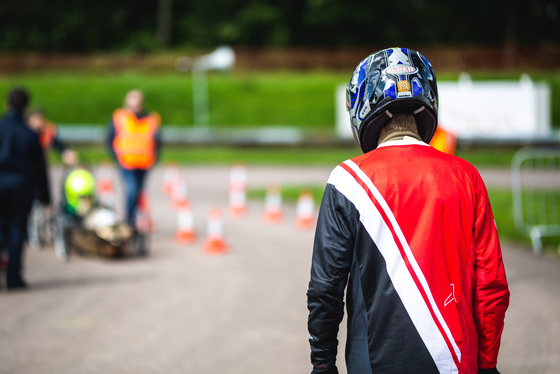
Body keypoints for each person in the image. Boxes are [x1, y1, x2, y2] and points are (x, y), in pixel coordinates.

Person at [307, 48, 510, 374]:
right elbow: (491, 286)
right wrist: (487, 365)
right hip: (456, 361)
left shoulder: (347, 180)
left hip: (373, 362)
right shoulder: (467, 177)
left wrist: (322, 363)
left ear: (362, 103)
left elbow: (325, 288)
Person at [0, 87, 50, 290]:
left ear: (7, 104)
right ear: (26, 106)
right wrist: (45, 195)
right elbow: (40, 168)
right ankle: (14, 278)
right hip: (21, 186)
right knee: (17, 229)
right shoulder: (30, 134)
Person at [106, 89, 161, 226]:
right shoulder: (119, 117)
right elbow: (109, 139)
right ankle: (129, 219)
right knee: (132, 189)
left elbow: (157, 140)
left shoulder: (151, 118)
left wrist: (155, 158)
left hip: (144, 163)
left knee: (139, 192)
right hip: (126, 162)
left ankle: (137, 219)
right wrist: (116, 157)